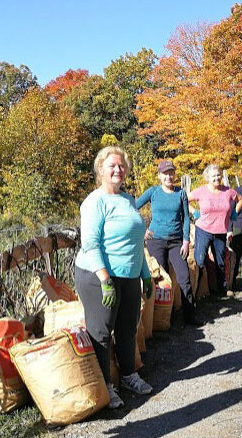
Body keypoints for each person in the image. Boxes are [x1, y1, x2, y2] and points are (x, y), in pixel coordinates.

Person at [74, 146, 154, 409]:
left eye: (122, 166)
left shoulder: (129, 200)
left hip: (129, 274)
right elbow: (90, 244)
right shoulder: (94, 202)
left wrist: (145, 274)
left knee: (128, 327)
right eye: (112, 166)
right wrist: (105, 279)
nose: (118, 170)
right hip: (99, 276)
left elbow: (135, 242)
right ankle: (106, 387)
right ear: (101, 171)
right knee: (101, 332)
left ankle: (129, 375)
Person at [136, 160, 200, 325]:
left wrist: (186, 241)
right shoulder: (153, 192)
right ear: (159, 176)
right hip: (156, 241)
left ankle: (190, 317)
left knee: (184, 278)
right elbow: (133, 207)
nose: (169, 176)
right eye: (165, 173)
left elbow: (186, 218)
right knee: (161, 281)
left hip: (176, 242)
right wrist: (142, 230)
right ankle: (162, 321)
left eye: (171, 173)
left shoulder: (181, 194)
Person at [188, 164, 242, 297]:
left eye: (219, 175)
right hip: (203, 229)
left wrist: (234, 212)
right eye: (214, 176)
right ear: (208, 177)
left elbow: (241, 199)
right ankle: (197, 292)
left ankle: (222, 291)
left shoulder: (228, 191)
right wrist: (194, 211)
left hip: (220, 231)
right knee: (200, 261)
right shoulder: (201, 191)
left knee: (220, 262)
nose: (217, 178)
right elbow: (184, 200)